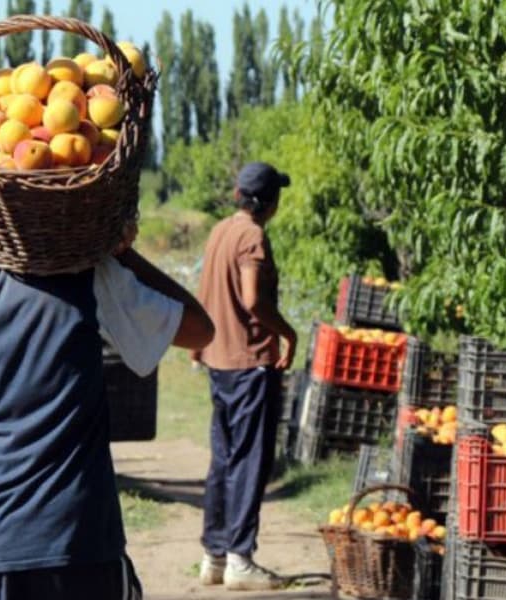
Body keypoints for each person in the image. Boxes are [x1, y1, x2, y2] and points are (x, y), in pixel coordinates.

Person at [0, 145, 215, 600]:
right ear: (4, 196)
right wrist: (113, 251)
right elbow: (200, 330)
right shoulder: (78, 275)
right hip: (75, 543)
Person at [193, 162, 296, 591]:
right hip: (250, 362)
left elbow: (205, 289)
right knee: (250, 461)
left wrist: (198, 343)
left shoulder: (220, 231)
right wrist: (288, 333)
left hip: (219, 358)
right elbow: (253, 299)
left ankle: (214, 556)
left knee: (224, 457)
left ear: (238, 195)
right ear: (270, 201)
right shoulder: (252, 235)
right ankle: (240, 558)